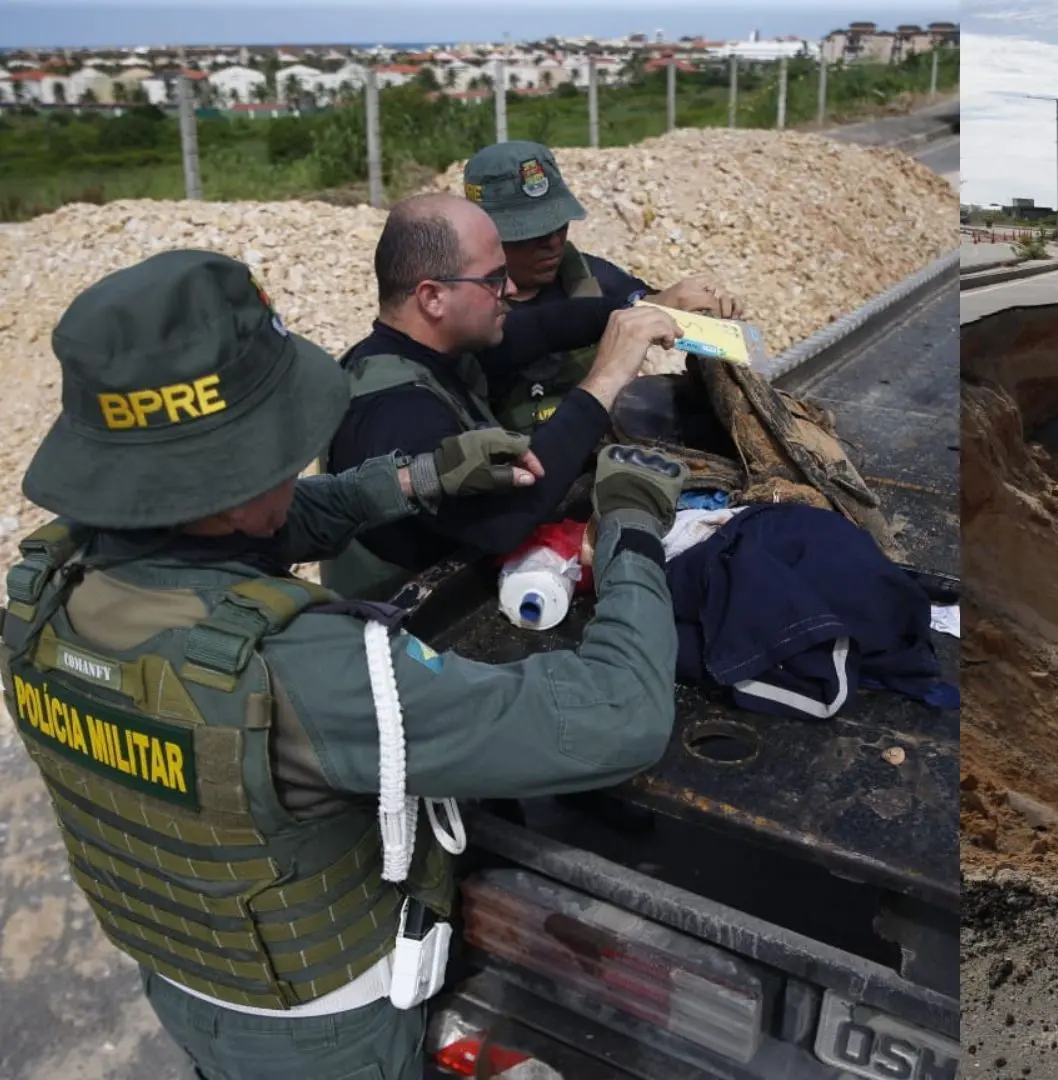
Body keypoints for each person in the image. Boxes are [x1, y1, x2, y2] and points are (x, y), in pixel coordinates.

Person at [5, 249, 690, 1080]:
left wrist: (413, 478)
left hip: (184, 977)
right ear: (233, 490)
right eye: (284, 451)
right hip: (327, 1038)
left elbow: (245, 527)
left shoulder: (43, 589)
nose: (296, 466)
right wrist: (631, 530)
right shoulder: (310, 674)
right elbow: (618, 715)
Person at [323, 191, 685, 601]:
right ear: (432, 297)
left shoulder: (429, 345)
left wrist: (639, 308)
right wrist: (607, 377)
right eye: (493, 279)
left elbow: (545, 327)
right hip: (401, 617)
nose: (510, 287)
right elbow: (500, 520)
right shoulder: (393, 411)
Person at [462, 140, 745, 432]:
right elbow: (533, 330)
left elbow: (648, 300)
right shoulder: (457, 303)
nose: (552, 242)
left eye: (558, 225)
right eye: (530, 233)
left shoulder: (590, 277)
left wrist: (701, 311)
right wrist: (640, 308)